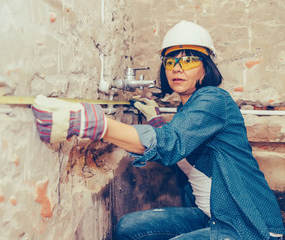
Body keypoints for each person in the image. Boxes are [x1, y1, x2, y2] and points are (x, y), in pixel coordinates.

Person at [31, 20, 285, 239]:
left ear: (205, 68)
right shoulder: (189, 108)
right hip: (212, 214)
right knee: (129, 228)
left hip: (246, 224)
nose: (177, 67)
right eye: (171, 60)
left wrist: (93, 124)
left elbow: (172, 142)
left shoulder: (213, 99)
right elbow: (184, 140)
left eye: (188, 60)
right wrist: (156, 121)